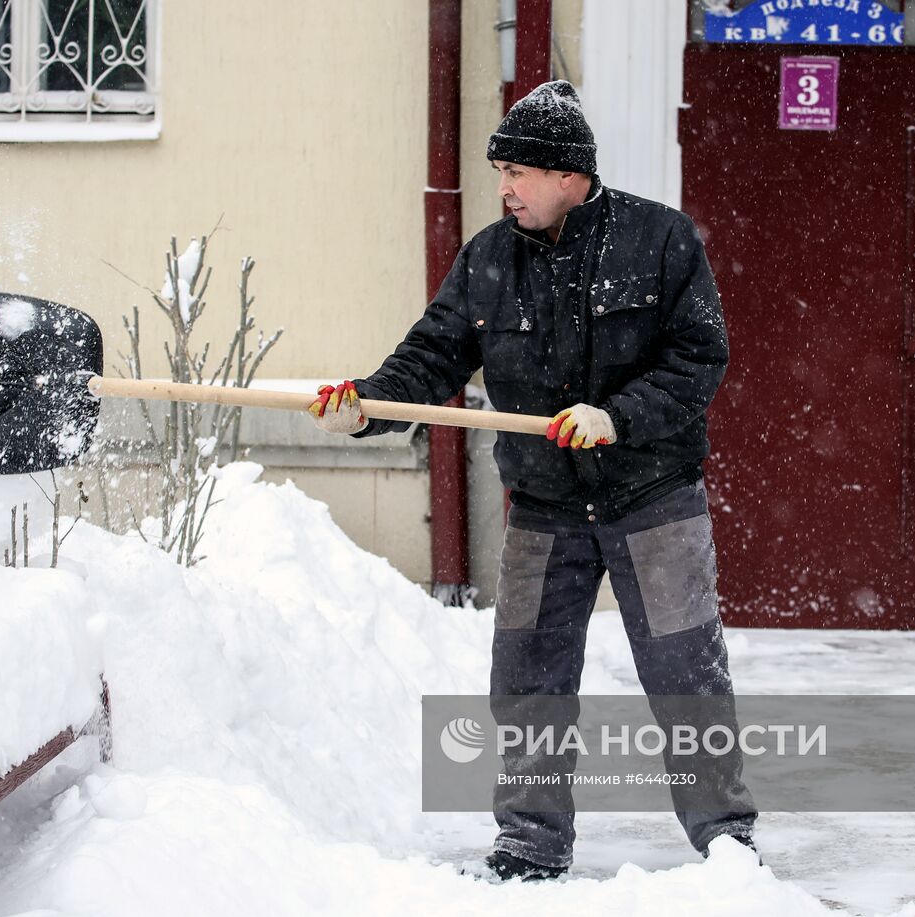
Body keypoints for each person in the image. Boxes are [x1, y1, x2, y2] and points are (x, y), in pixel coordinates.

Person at [307, 80, 757, 881]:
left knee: (685, 672)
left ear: (567, 175)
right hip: (545, 506)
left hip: (653, 495)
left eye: (518, 171)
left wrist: (618, 414)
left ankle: (725, 839)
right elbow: (432, 356)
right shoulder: (488, 259)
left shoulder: (660, 241)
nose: (506, 189)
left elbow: (699, 359)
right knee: (528, 678)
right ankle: (530, 842)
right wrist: (367, 407)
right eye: (499, 172)